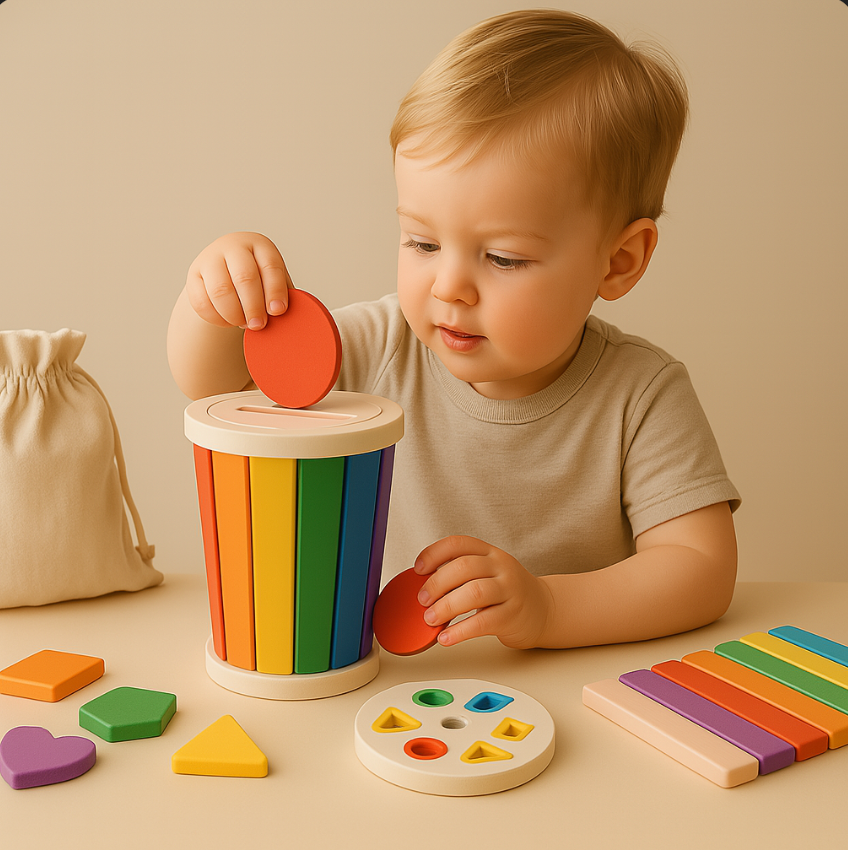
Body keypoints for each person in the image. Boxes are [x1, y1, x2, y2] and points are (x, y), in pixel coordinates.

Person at [168, 9, 740, 652]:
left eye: (503, 258)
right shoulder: (381, 346)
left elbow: (702, 568)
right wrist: (213, 301)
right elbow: (217, 387)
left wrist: (549, 608)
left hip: (570, 686)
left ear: (618, 261)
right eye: (422, 243)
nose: (448, 287)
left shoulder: (642, 394)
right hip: (390, 683)